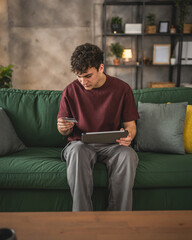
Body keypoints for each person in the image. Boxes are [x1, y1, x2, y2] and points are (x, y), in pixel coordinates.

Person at [57, 43, 139, 211]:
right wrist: (63, 127)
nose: (82, 81)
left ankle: (119, 220)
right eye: (79, 76)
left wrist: (128, 136)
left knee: (128, 155)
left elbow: (130, 126)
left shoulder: (122, 89)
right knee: (78, 151)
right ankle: (82, 219)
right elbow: (62, 129)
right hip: (80, 144)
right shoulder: (70, 91)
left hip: (113, 146)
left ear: (101, 67)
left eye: (87, 76)